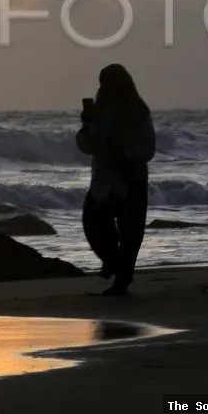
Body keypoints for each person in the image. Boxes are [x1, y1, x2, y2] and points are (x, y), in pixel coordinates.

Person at [75, 63, 155, 296]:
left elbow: (148, 146)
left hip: (131, 178)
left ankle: (122, 278)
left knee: (131, 231)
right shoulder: (99, 111)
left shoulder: (138, 110)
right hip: (103, 179)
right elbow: (86, 145)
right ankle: (113, 261)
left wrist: (125, 156)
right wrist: (86, 124)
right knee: (93, 224)